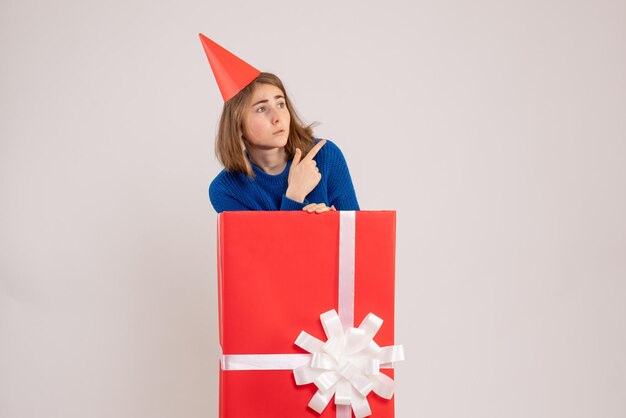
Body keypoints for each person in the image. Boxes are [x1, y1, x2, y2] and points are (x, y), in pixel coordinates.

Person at [200, 35, 359, 213]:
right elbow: (263, 243)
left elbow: (358, 238)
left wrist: (331, 225)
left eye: (280, 104)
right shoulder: (226, 190)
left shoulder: (326, 156)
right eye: (261, 109)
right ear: (238, 124)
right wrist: (294, 196)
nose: (277, 117)